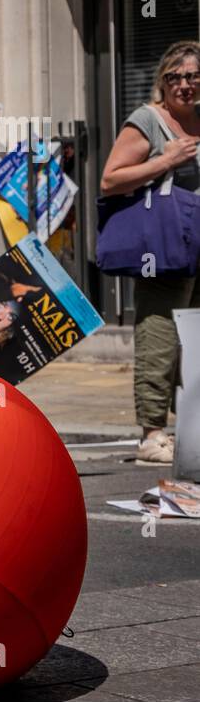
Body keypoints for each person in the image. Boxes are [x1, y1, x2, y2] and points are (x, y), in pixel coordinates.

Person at [100, 41, 200, 464]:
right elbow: (110, 180)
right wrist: (166, 159)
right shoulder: (148, 121)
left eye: (192, 76)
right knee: (159, 337)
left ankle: (190, 429)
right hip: (163, 248)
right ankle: (153, 434)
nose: (183, 85)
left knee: (194, 341)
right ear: (163, 81)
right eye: (174, 77)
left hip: (196, 244)